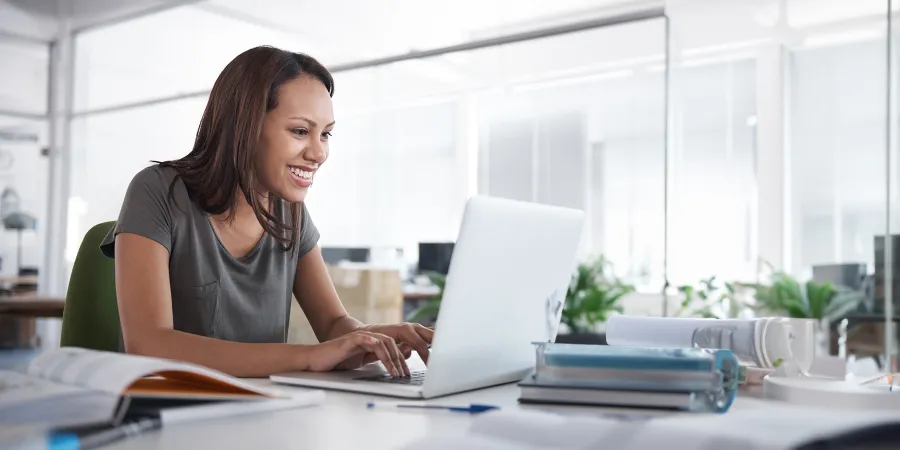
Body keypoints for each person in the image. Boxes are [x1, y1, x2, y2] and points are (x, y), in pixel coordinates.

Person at [99, 46, 432, 378]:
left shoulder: (291, 213)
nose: (318, 153)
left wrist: (375, 338)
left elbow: (332, 324)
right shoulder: (157, 192)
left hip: (264, 412)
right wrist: (308, 356)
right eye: (300, 131)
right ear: (245, 126)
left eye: (326, 134)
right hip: (166, 414)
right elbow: (148, 345)